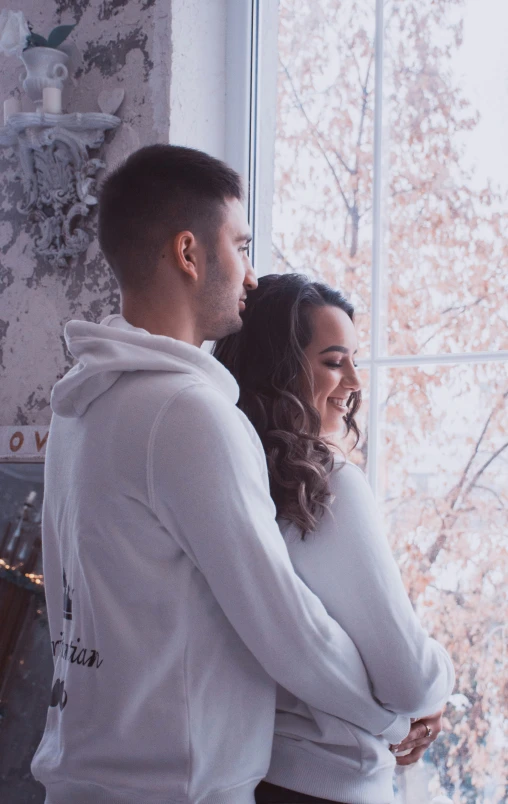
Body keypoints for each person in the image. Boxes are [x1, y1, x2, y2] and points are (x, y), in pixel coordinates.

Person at [31, 145, 417, 804]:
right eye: (240, 245)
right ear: (189, 253)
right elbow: (286, 629)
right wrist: (391, 717)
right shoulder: (187, 415)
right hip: (169, 790)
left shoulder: (81, 401)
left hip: (82, 776)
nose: (251, 275)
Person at [213, 273, 455, 804]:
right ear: (278, 369)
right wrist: (442, 684)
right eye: (332, 361)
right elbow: (409, 679)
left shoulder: (235, 479)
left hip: (261, 771)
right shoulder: (324, 487)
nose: (354, 382)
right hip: (333, 782)